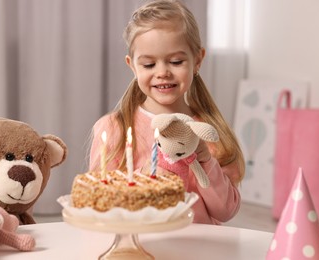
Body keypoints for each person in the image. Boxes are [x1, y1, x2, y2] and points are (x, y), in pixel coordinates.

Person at [89, 0, 245, 224]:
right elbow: (99, 203)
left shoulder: (208, 132)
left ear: (198, 60)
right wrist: (146, 177)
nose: (162, 72)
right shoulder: (114, 128)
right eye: (149, 65)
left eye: (175, 61)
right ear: (132, 66)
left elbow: (226, 211)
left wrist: (205, 161)